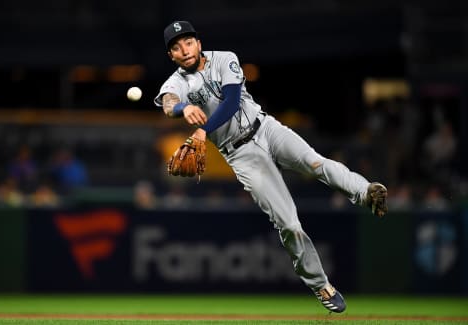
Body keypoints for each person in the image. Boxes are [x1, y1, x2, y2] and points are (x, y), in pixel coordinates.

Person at [154, 20, 388, 313]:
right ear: (171, 55)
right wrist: (181, 107)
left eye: (188, 42)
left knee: (316, 162)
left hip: (265, 128)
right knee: (288, 223)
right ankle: (320, 285)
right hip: (241, 155)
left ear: (198, 43)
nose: (184, 49)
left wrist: (202, 130)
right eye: (176, 47)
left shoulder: (225, 58)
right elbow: (167, 102)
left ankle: (366, 192)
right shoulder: (177, 81)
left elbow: (231, 101)